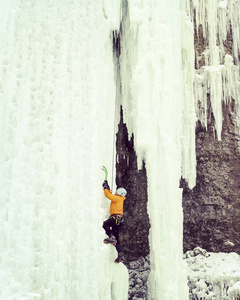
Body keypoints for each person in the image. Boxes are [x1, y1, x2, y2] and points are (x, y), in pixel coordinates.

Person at [102, 167, 127, 263]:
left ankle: (111, 237)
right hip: (119, 221)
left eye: (117, 192)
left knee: (105, 225)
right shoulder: (119, 199)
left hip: (115, 219)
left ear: (120, 193)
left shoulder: (118, 198)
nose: (115, 193)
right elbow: (111, 195)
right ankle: (121, 254)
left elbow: (108, 195)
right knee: (117, 238)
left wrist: (105, 187)